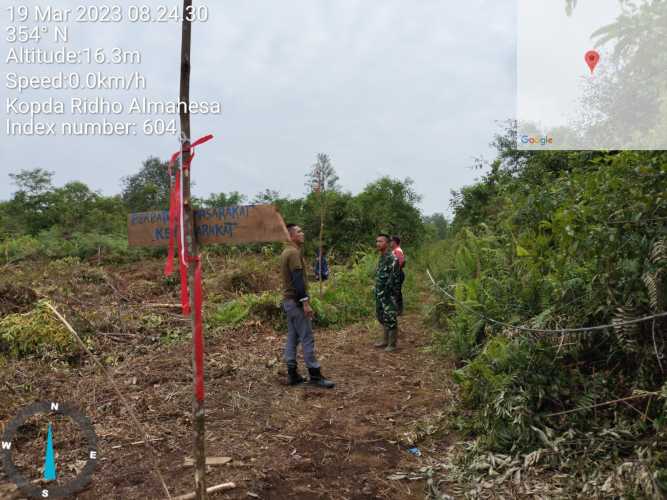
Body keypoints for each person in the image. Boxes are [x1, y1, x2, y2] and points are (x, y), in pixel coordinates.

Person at [280, 224, 335, 388]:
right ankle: (315, 375)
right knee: (307, 337)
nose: (302, 234)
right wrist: (305, 302)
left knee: (292, 337)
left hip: (288, 301)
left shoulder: (285, 252)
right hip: (296, 302)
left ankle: (292, 374)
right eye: (299, 232)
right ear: (291, 236)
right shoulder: (294, 253)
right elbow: (297, 280)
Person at [374, 233, 400, 352]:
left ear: (388, 243)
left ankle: (392, 344)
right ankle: (385, 340)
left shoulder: (392, 259)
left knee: (390, 316)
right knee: (381, 316)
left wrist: (390, 294)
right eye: (377, 241)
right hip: (379, 293)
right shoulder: (381, 257)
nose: (378, 243)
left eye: (381, 241)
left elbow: (395, 279)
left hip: (388, 294)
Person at [390, 236, 406, 315]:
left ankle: (399, 310)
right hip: (395, 273)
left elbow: (402, 261)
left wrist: (397, 270)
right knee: (394, 291)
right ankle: (396, 309)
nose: (390, 243)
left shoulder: (398, 250)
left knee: (397, 291)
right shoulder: (394, 251)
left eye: (391, 241)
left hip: (398, 274)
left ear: (395, 242)